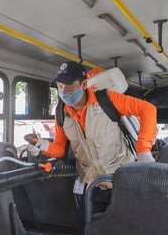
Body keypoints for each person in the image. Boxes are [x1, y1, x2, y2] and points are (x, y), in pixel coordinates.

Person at [28, 61, 157, 234]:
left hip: (121, 183)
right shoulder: (61, 113)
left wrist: (143, 150)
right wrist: (43, 146)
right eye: (60, 86)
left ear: (83, 84)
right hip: (91, 187)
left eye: (69, 85)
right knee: (86, 230)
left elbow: (148, 109)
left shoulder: (106, 99)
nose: (64, 91)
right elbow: (59, 148)